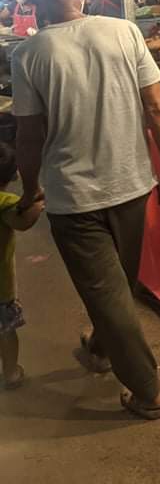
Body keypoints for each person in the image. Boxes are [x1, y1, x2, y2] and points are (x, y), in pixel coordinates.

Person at [12, 0, 160, 420]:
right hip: (131, 184)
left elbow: (30, 136)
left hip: (74, 196)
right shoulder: (123, 32)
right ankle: (102, 349)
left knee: (107, 293)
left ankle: (148, 392)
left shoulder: (28, 54)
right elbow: (158, 109)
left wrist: (30, 192)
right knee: (117, 287)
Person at [0, 143, 46, 389]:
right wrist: (37, 204)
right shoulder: (5, 202)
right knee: (5, 331)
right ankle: (11, 372)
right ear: (14, 175)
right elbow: (22, 222)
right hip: (1, 286)